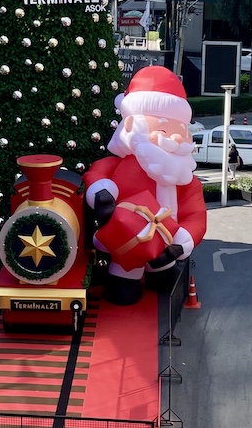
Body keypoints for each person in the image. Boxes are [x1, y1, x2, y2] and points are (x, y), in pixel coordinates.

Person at [84, 66, 207, 305]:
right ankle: (125, 278)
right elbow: (98, 173)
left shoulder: (185, 179)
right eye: (161, 128)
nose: (173, 138)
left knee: (165, 278)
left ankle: (158, 271)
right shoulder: (121, 164)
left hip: (165, 246)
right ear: (132, 126)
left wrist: (180, 244)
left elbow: (196, 214)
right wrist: (101, 191)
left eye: (179, 130)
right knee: (123, 291)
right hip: (125, 245)